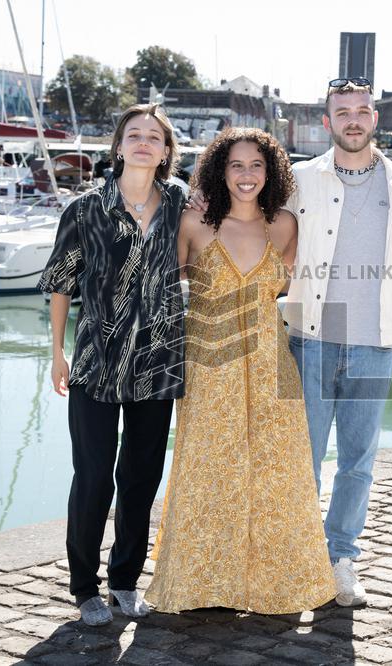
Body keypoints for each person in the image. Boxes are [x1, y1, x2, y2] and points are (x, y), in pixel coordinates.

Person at [145, 128, 335, 614]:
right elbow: (162, 290)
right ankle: (204, 584)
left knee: (278, 470)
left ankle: (275, 585)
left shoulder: (285, 226)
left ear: (270, 173)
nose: (246, 175)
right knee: (209, 468)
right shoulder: (194, 224)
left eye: (256, 165)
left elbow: (293, 286)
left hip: (272, 362)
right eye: (236, 165)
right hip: (210, 363)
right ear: (219, 172)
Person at [39, 104, 186, 626]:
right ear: (118, 146)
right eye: (134, 135)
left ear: (167, 150)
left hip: (159, 361)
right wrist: (57, 352)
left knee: (141, 477)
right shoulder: (84, 209)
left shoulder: (181, 205)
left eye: (154, 136)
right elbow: (60, 283)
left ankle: (125, 581)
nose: (144, 143)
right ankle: (84, 587)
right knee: (95, 476)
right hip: (95, 364)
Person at [285, 78, 392, 607]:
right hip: (312, 337)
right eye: (342, 112)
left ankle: (341, 557)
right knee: (304, 459)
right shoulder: (300, 180)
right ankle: (299, 559)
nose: (353, 120)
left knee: (359, 461)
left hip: (376, 341)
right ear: (327, 122)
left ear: (375, 118)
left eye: (362, 110)